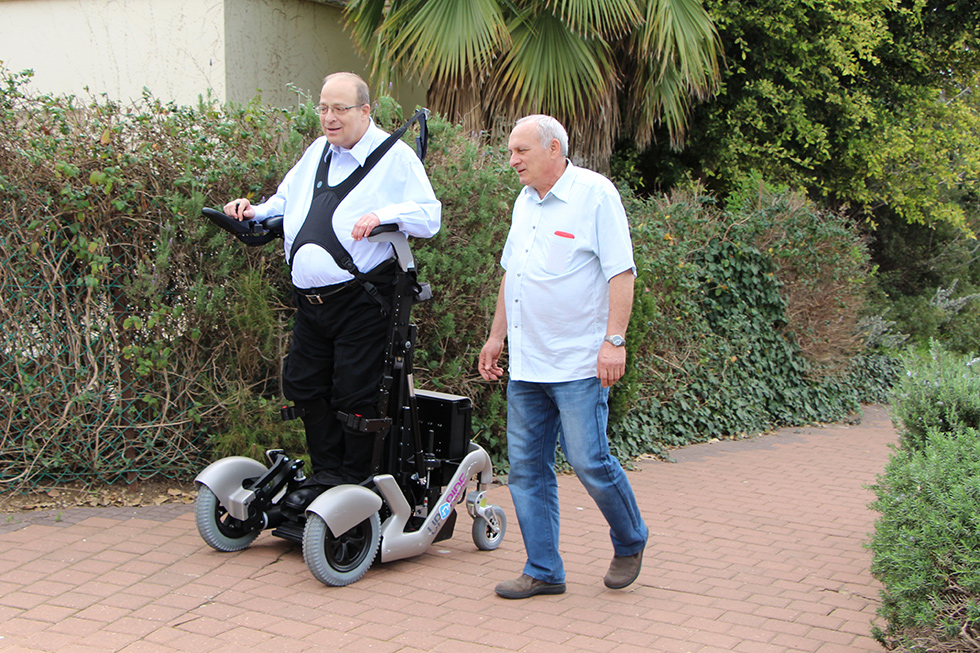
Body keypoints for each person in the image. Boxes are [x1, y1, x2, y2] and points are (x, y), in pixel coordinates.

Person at [224, 72, 440, 509]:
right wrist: (252, 211)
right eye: (323, 108)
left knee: (355, 396)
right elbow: (285, 202)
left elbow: (428, 216)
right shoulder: (317, 152)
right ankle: (326, 476)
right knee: (303, 385)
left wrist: (385, 213)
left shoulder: (394, 158)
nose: (329, 117)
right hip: (311, 303)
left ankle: (353, 485)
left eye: (340, 108)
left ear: (365, 110)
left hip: (363, 301)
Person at [478, 114, 647, 599]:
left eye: (521, 151)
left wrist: (614, 341)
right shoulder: (523, 201)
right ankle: (544, 570)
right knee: (527, 471)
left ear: (554, 149)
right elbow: (514, 273)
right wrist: (496, 337)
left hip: (578, 363)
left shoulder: (596, 195)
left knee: (590, 461)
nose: (512, 161)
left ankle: (631, 538)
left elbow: (622, 273)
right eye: (511, 152)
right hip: (528, 365)